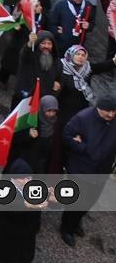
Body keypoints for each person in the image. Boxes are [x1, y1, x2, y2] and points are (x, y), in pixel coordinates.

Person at [58, 96, 116, 247]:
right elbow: (67, 135)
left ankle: (76, 221)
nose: (111, 114)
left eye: (114, 111)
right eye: (107, 111)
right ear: (99, 107)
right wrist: (83, 148)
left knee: (90, 200)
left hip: (101, 170)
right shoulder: (83, 118)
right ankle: (66, 228)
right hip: (81, 169)